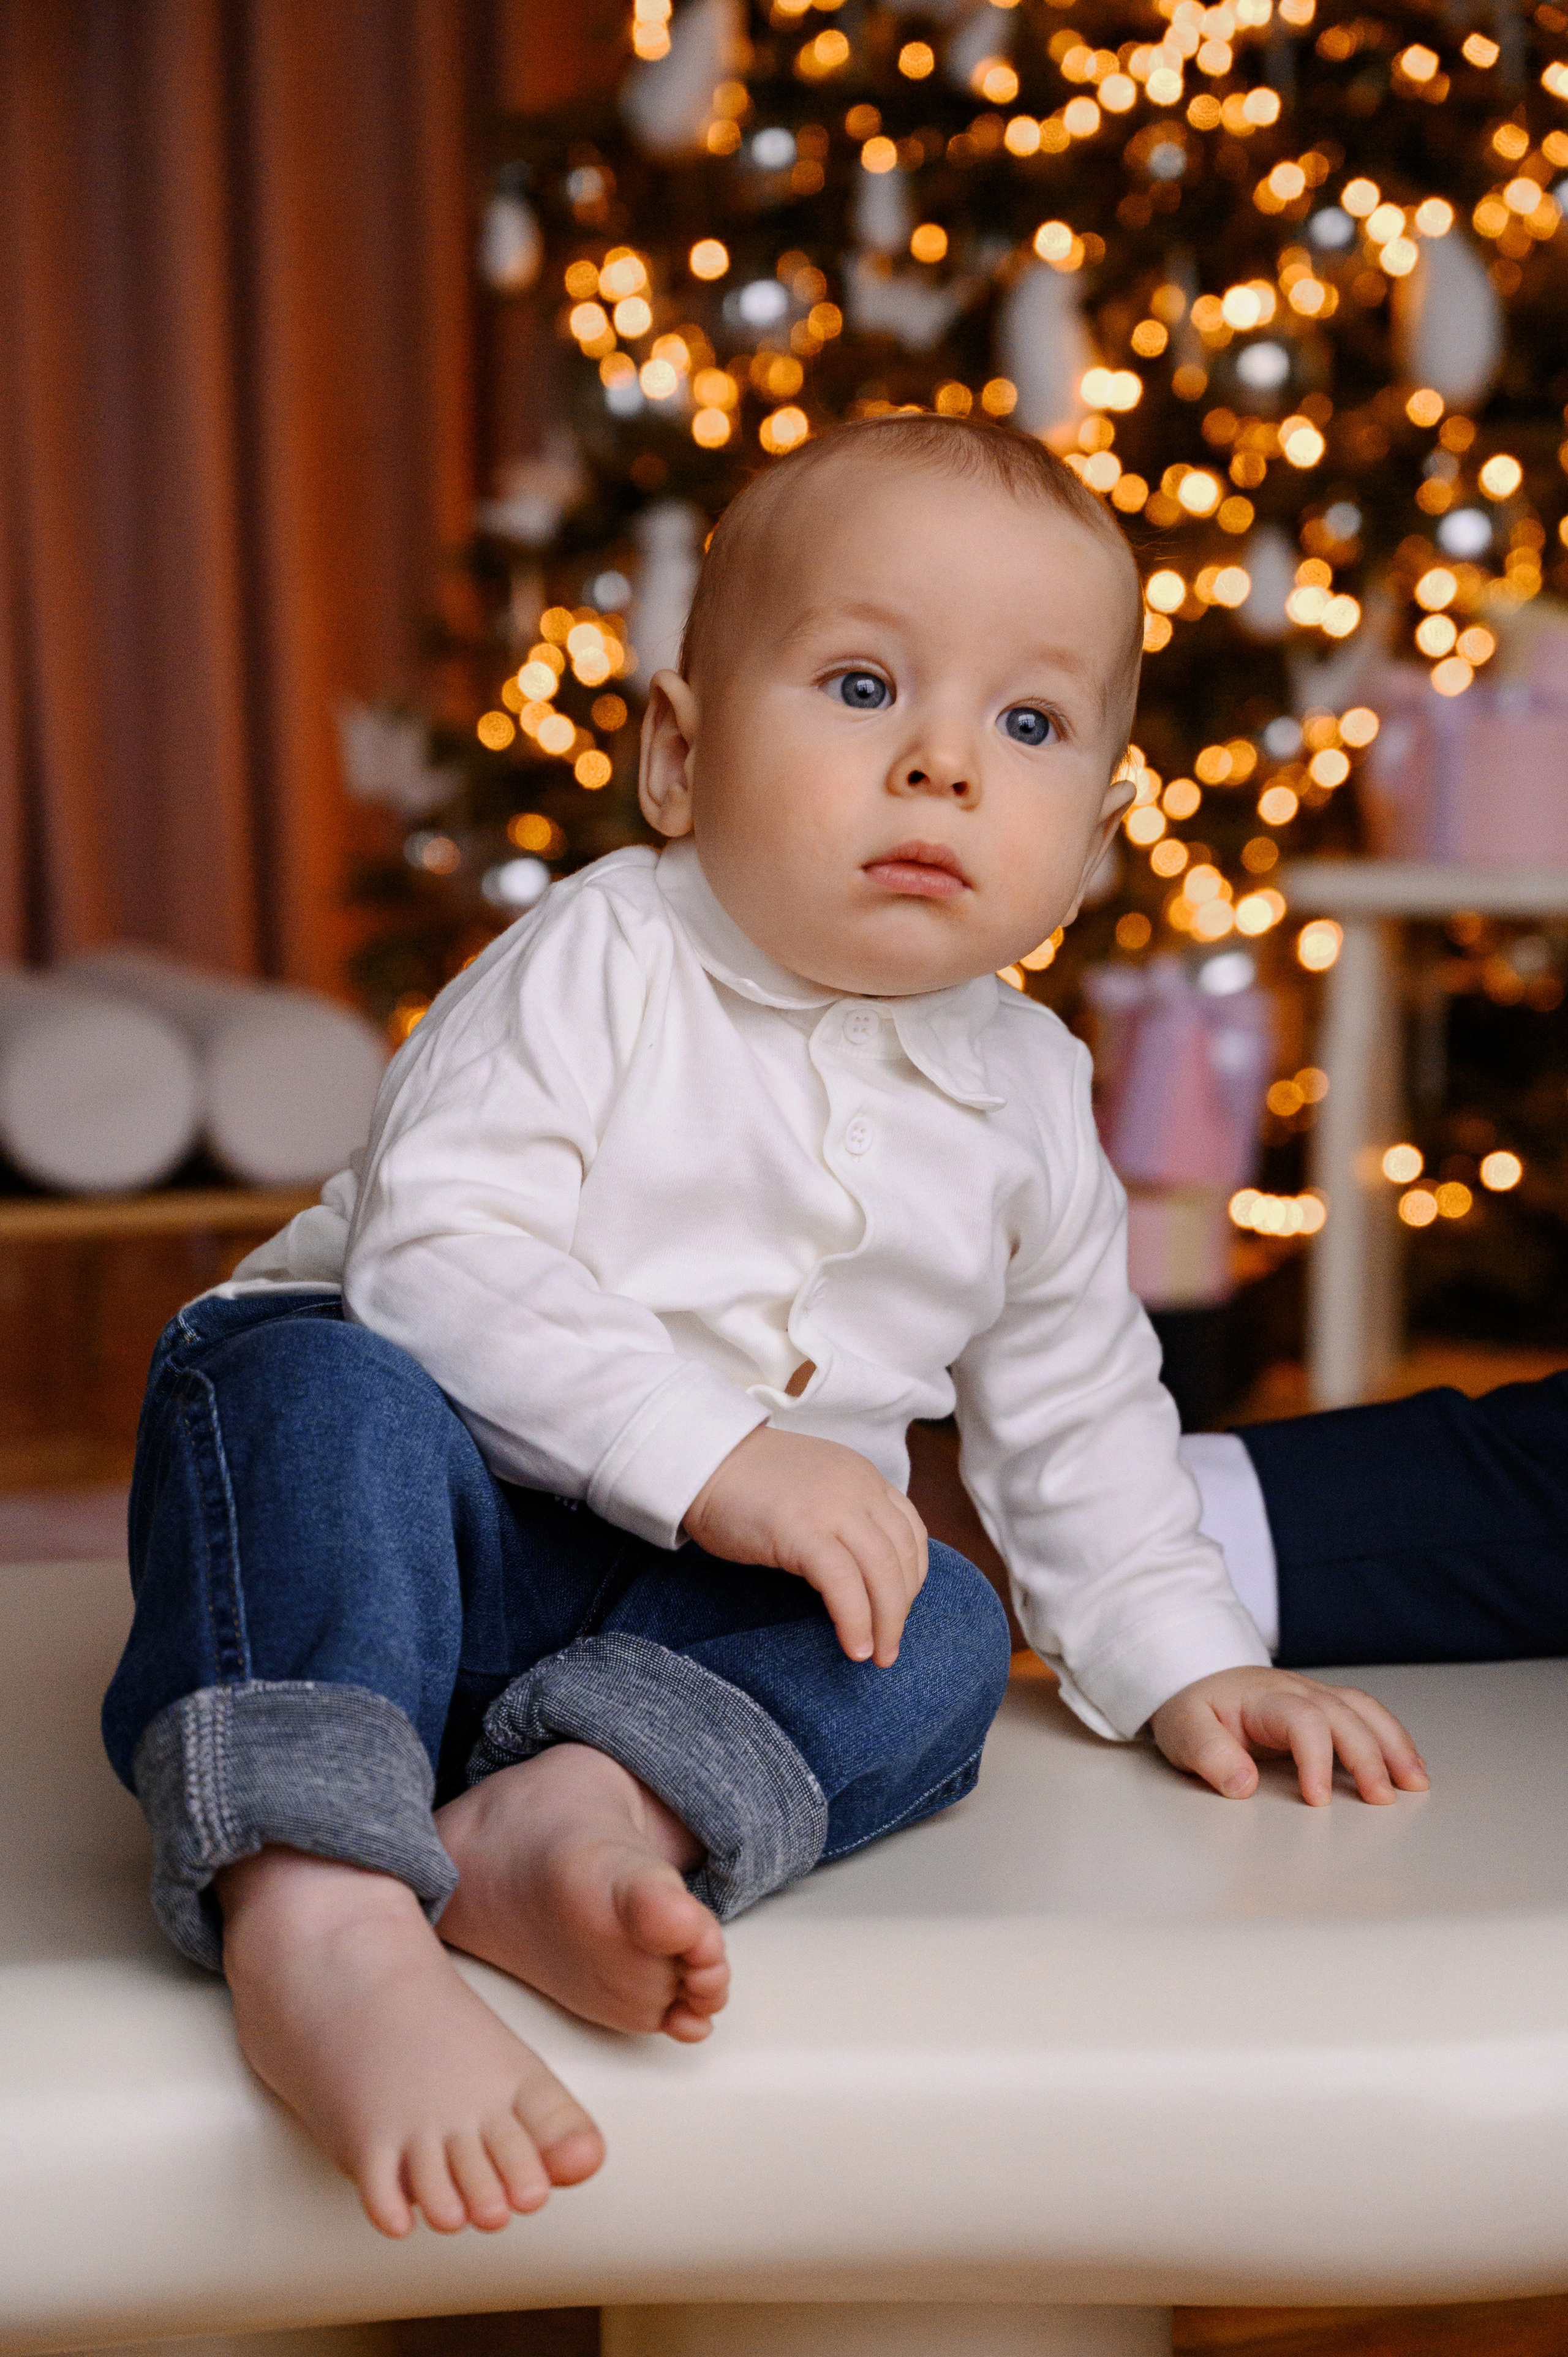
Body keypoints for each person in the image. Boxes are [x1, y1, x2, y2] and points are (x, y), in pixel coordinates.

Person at [102, 415, 1425, 2246]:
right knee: (302, 1381)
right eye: (865, 685)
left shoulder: (1032, 1090)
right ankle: (316, 1903)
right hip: (423, 1518)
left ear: (1099, 841)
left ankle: (576, 1816)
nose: (945, 765)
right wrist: (720, 1457)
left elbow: (1077, 1419)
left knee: (940, 1627)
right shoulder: (599, 959)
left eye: (1030, 727)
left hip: (656, 1634)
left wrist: (1190, 1656)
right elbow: (441, 1258)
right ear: (677, 750)